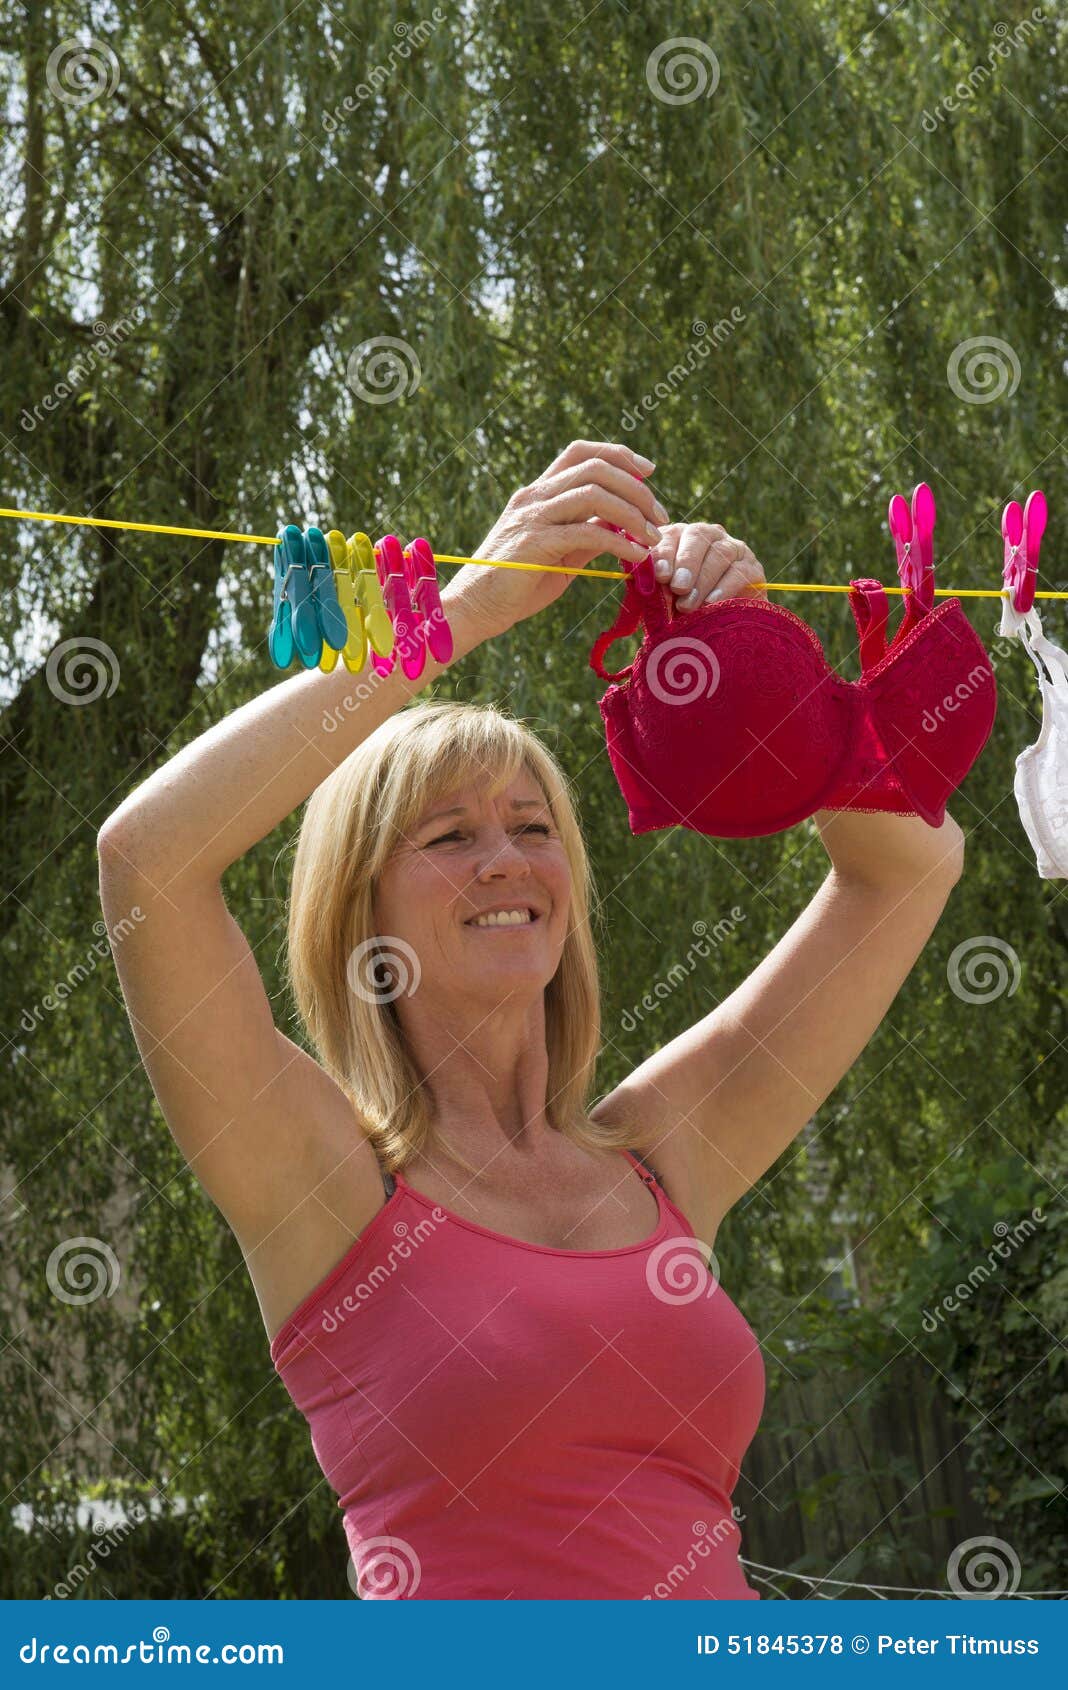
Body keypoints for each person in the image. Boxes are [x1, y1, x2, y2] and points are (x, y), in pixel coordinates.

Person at [97, 439, 964, 1599]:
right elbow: (146, 862)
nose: (505, 860)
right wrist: (459, 614)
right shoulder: (325, 1182)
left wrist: (760, 665)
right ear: (361, 916)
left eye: (534, 826)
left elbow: (906, 871)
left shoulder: (659, 1154)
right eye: (449, 836)